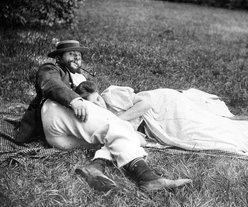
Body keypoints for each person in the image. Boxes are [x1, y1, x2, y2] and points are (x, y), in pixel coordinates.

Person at [16, 40, 192, 192]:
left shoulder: (79, 77)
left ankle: (95, 166)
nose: (77, 58)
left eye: (79, 55)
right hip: (54, 112)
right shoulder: (52, 68)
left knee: (115, 136)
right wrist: (75, 100)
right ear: (59, 58)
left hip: (62, 138)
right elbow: (49, 83)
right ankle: (147, 178)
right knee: (118, 126)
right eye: (71, 54)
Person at [75, 81, 248, 157]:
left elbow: (146, 103)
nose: (99, 105)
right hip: (157, 121)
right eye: (93, 104)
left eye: (96, 99)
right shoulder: (99, 118)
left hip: (164, 104)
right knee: (203, 134)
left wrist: (121, 120)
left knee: (200, 130)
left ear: (98, 93)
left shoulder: (111, 94)